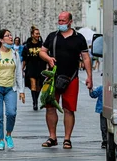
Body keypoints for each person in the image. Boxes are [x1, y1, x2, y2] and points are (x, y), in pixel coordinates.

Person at [39, 12, 92, 149]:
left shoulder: (79, 38)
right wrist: (48, 59)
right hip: (53, 78)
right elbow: (42, 51)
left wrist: (89, 77)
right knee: (50, 108)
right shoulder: (53, 36)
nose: (60, 23)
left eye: (63, 21)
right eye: (59, 20)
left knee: (69, 109)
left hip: (71, 77)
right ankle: (52, 137)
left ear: (70, 22)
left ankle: (67, 138)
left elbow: (86, 58)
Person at [0, 29, 25, 150]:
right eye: (7, 36)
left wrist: (21, 90)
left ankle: (8, 134)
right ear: (1, 40)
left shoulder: (15, 54)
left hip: (10, 88)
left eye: (11, 35)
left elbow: (18, 73)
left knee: (11, 113)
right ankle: (0, 140)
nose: (11, 37)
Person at [22, 26, 46, 111]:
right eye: (36, 34)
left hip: (41, 67)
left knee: (39, 85)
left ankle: (36, 98)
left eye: (38, 34)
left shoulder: (42, 45)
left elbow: (47, 56)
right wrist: (22, 69)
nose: (38, 35)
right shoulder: (27, 46)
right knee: (33, 83)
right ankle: (35, 102)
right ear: (32, 35)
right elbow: (24, 59)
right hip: (31, 66)